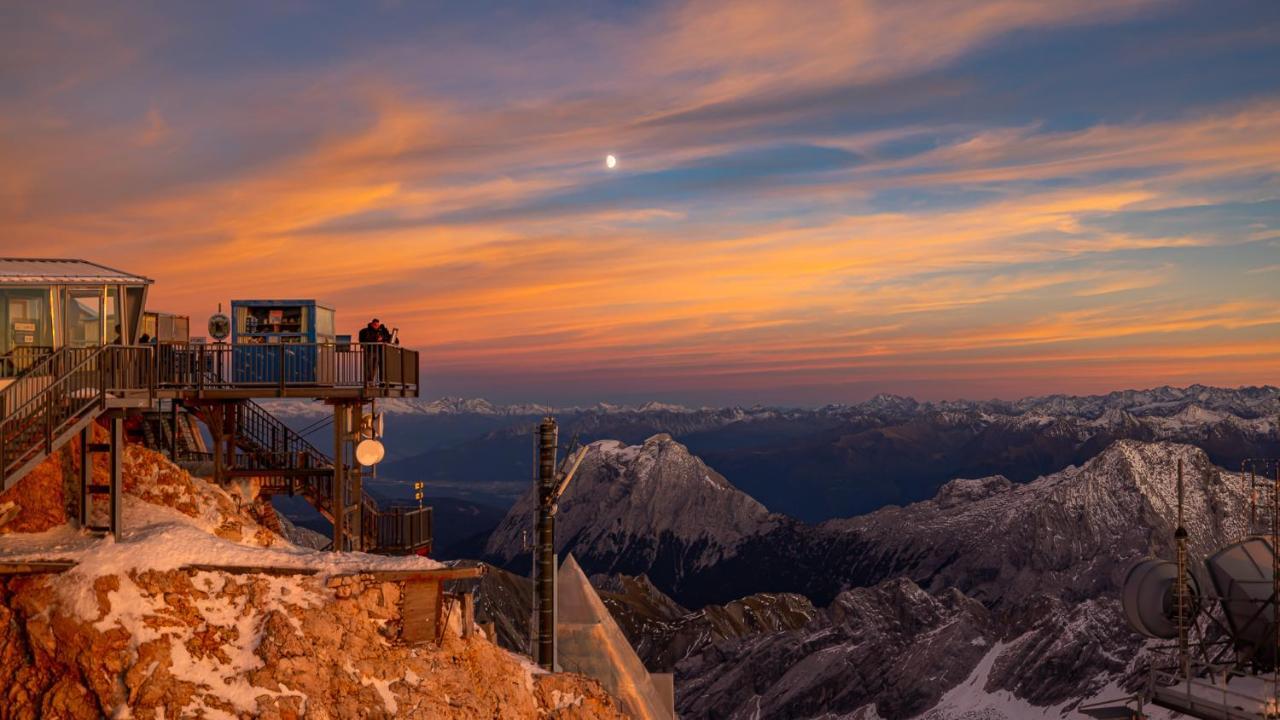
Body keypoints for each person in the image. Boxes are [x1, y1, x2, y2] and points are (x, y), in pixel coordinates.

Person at [359, 318, 394, 382]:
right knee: (369, 367)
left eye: (377, 325)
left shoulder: (382, 331)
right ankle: (369, 382)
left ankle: (381, 382)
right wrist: (376, 339)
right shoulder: (366, 331)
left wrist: (382, 338)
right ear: (372, 324)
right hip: (370, 351)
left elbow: (388, 337)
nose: (376, 326)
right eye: (375, 325)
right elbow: (366, 339)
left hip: (379, 351)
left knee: (377, 368)